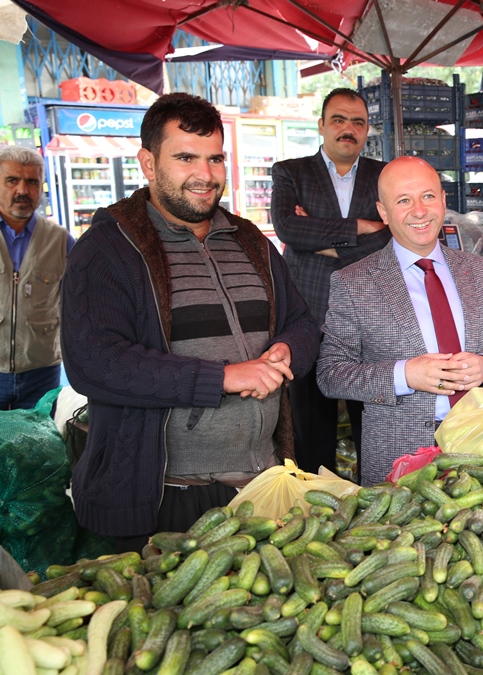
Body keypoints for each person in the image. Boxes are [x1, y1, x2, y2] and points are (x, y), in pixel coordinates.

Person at [60, 93, 319, 543]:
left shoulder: (251, 240)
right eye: (185, 158)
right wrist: (222, 377)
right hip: (164, 496)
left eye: (215, 158)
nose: (205, 175)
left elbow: (302, 322)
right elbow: (94, 362)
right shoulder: (108, 249)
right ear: (147, 162)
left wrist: (288, 349)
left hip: (260, 488)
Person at [317, 156, 483, 485]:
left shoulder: (476, 269)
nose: (420, 211)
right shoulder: (354, 282)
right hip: (398, 460)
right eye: (403, 201)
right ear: (383, 212)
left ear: (443, 200)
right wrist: (404, 374)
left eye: (427, 196)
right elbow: (331, 374)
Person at [271, 88, 389, 476]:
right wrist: (362, 227)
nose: (348, 129)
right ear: (321, 125)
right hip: (309, 313)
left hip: (372, 315)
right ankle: (313, 502)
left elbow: (392, 238)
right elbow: (288, 227)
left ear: (367, 129)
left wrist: (317, 241)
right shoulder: (291, 172)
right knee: (311, 424)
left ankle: (375, 500)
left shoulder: (383, 175)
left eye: (358, 122)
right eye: (338, 119)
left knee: (371, 419)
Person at [0, 146, 75, 410]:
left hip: (41, 371)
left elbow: (79, 303)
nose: (22, 190)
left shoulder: (60, 240)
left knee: (38, 447)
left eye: (31, 182)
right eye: (12, 181)